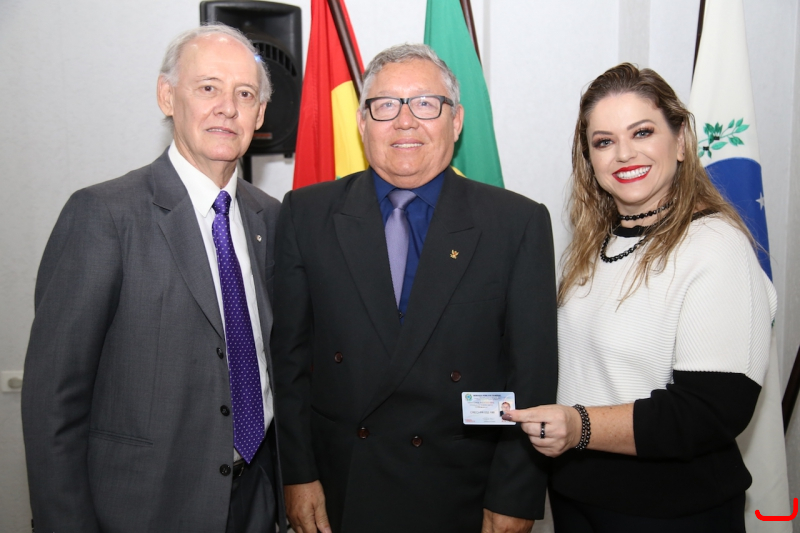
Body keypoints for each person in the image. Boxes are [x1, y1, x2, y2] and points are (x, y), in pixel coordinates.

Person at [271, 43, 558, 533]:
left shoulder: (516, 223)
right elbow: (290, 365)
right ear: (362, 123)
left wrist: (515, 495)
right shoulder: (306, 214)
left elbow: (531, 373)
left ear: (456, 121)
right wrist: (298, 476)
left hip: (465, 491)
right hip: (345, 488)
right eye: (385, 105)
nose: (405, 122)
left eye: (426, 103)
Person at [21, 24, 286, 533]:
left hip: (255, 504)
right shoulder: (104, 214)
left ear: (259, 115)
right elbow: (54, 400)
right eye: (207, 87)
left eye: (244, 94)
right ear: (167, 96)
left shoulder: (272, 219)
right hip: (142, 510)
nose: (227, 108)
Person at [504, 63, 776, 532]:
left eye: (642, 132)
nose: (624, 153)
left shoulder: (715, 245)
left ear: (681, 140)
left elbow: (711, 410)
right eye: (603, 141)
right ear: (589, 159)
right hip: (576, 498)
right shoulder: (590, 248)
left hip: (673, 512)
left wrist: (579, 426)